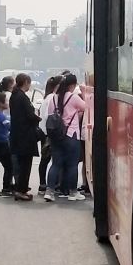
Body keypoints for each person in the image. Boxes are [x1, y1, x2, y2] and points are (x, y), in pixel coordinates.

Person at [46, 73, 87, 201]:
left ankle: (50, 191)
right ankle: (73, 192)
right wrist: (84, 94)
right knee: (72, 165)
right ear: (72, 85)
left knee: (56, 164)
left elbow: (50, 114)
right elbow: (86, 107)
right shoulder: (73, 98)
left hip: (56, 136)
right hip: (71, 135)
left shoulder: (53, 98)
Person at [8, 71, 41, 202]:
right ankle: (21, 190)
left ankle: (19, 189)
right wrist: (38, 118)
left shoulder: (13, 96)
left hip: (16, 134)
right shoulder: (23, 97)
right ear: (26, 82)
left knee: (20, 164)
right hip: (26, 135)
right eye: (29, 83)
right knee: (26, 165)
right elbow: (29, 115)